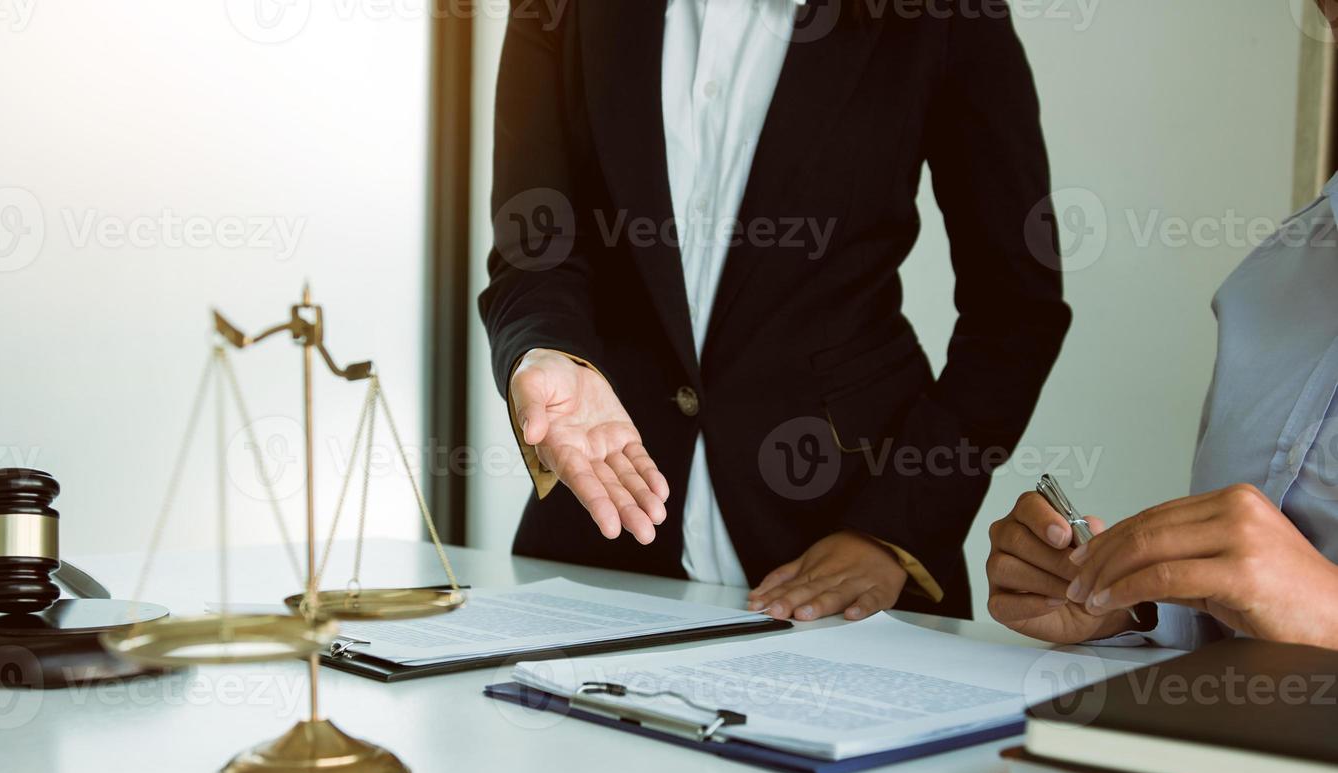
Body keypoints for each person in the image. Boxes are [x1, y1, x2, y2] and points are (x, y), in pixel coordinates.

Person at [480, 0, 1071, 623]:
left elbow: (1015, 311)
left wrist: (893, 531)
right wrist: (544, 350)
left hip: (850, 543)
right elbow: (534, 249)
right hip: (601, 531)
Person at [986, 0, 1338, 649]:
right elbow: (1246, 613)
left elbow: (1310, 605)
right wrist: (1123, 603)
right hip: (1216, 742)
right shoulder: (1269, 281)